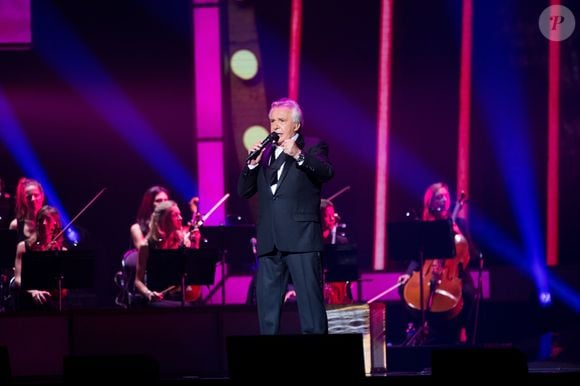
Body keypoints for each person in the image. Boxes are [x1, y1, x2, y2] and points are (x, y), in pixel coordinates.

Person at [238, 97, 334, 334]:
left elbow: (326, 172)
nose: (275, 126)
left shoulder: (312, 145)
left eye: (281, 120)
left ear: (296, 125)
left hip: (301, 238)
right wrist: (251, 166)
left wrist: (298, 154)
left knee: (311, 309)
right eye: (272, 121)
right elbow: (244, 191)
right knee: (268, 311)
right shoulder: (266, 154)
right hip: (270, 240)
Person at [397, 182, 474, 345]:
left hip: (453, 271)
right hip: (427, 270)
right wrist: (408, 273)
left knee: (467, 292)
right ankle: (416, 326)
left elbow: (470, 253)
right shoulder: (425, 225)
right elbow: (416, 256)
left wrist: (458, 233)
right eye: (438, 197)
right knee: (403, 287)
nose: (443, 200)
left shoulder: (459, 223)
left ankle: (461, 328)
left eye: (445, 197)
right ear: (430, 202)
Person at [134, 200, 201, 307]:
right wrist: (149, 294)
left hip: (179, 297)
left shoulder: (183, 242)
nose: (181, 218)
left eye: (180, 215)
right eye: (176, 215)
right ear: (163, 220)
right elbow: (138, 281)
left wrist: (196, 244)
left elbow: (193, 272)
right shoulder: (146, 246)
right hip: (157, 298)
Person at [115, 186, 170, 307]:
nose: (163, 203)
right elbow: (145, 249)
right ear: (150, 204)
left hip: (168, 276)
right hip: (148, 278)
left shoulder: (171, 227)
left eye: (165, 200)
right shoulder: (136, 228)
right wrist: (155, 224)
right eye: (158, 201)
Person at [12, 205, 66, 311]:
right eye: (41, 220)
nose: (44, 223)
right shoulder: (23, 247)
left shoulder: (62, 251)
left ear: (56, 224)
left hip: (51, 305)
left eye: (48, 220)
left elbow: (63, 292)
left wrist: (56, 259)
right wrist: (33, 292)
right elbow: (17, 279)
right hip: (27, 302)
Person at [320, 199, 353, 305]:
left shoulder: (342, 241)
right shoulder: (309, 242)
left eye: (332, 214)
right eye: (327, 215)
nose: (331, 218)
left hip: (337, 295)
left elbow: (349, 273)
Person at [9, 178, 46, 242]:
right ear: (23, 200)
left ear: (42, 196)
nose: (33, 199)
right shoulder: (15, 225)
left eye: (36, 195)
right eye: (29, 197)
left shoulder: (51, 222)